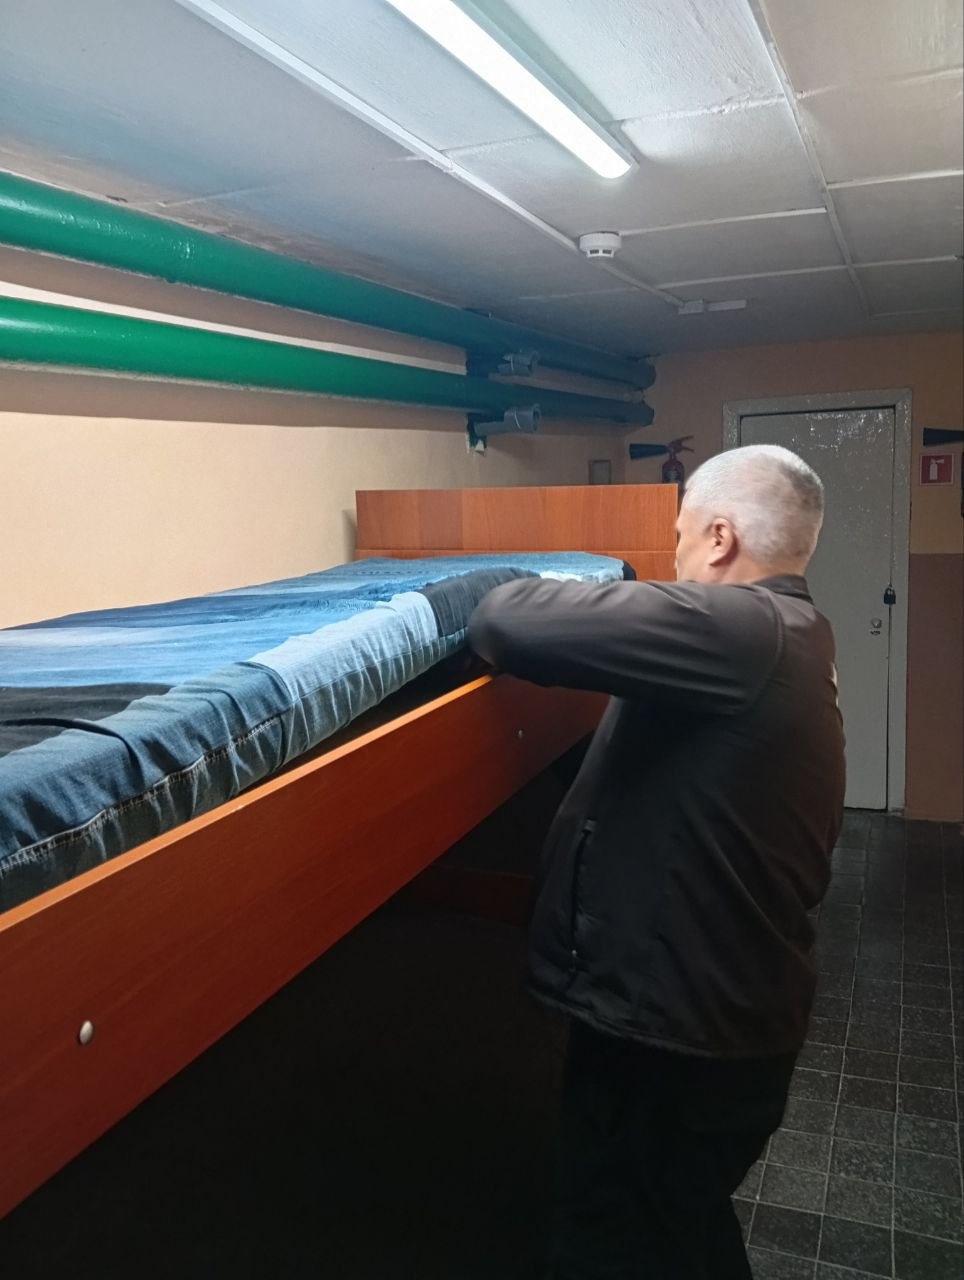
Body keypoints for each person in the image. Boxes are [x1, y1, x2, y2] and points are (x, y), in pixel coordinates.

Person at [467, 445, 845, 1280]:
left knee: (611, 1246)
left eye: (679, 537)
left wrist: (512, 580)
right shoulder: (791, 634)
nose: (674, 557)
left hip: (676, 1046)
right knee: (683, 1233)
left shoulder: (741, 627)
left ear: (719, 538)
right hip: (717, 1026)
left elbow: (505, 618)